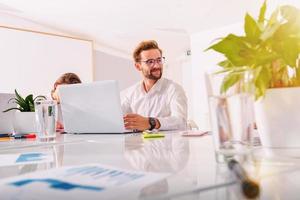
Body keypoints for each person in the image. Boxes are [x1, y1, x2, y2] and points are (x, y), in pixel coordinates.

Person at [122, 40, 187, 131]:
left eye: (159, 60)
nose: (157, 65)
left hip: (165, 144)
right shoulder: (130, 93)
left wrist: (151, 122)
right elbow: (118, 118)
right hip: (138, 144)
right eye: (150, 61)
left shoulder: (174, 89)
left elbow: (181, 122)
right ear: (138, 66)